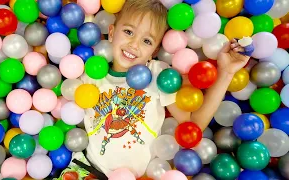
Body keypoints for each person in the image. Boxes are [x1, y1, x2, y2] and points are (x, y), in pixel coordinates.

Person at [56, 0, 251, 179]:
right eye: (129, 32)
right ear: (112, 32)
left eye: (147, 41)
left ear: (155, 51)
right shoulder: (92, 74)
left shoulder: (159, 76)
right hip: (89, 169)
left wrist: (226, 73)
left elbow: (194, 125)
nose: (134, 44)